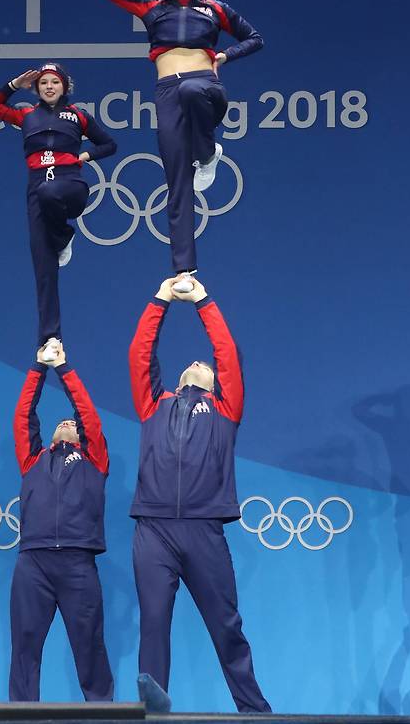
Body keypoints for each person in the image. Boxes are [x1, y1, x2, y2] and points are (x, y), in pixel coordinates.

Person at [127, 275, 270, 713]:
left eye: (206, 364)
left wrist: (204, 300)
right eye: (193, 362)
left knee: (226, 626)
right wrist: (161, 299)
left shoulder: (226, 407)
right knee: (153, 623)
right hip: (153, 531)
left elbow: (226, 353)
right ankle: (153, 712)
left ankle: (255, 711)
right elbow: (140, 355)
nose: (197, 360)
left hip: (204, 529)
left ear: (215, 381)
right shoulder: (155, 404)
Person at [98, 0, 263, 293]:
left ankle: (206, 153)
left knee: (191, 89)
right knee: (176, 177)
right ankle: (185, 270)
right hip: (166, 93)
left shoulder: (216, 8)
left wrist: (224, 54)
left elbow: (254, 38)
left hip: (204, 86)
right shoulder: (152, 7)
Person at [0, 64, 117, 360]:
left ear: (64, 86)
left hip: (70, 184)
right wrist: (15, 84)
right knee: (44, 269)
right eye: (43, 82)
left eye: (54, 82)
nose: (48, 87)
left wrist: (85, 155)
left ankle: (64, 233)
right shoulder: (26, 115)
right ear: (37, 88)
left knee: (49, 191)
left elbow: (109, 144)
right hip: (37, 188)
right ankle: (50, 339)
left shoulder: (79, 116)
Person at [9, 341, 114, 702]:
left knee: (90, 649)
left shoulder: (94, 459)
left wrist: (64, 369)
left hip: (77, 563)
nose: (69, 422)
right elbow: (24, 415)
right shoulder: (32, 459)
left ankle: (102, 714)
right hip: (33, 563)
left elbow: (87, 415)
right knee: (24, 648)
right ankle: (20, 716)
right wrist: (39, 369)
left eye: (73, 423)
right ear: (50, 437)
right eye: (62, 422)